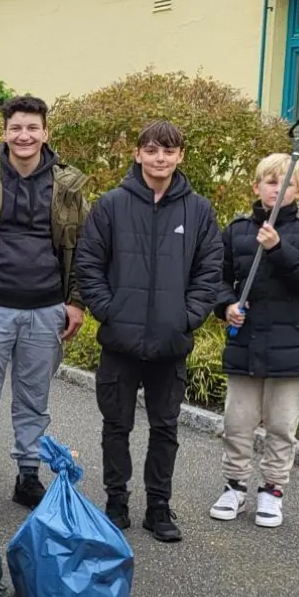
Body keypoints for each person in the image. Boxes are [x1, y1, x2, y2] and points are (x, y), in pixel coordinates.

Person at [75, 121, 224, 542]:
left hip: (170, 343)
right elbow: (89, 264)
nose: (161, 158)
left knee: (165, 428)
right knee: (116, 425)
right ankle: (115, 501)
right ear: (138, 154)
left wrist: (187, 316)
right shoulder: (111, 205)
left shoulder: (198, 211)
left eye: (169, 151)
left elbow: (209, 271)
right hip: (120, 342)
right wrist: (110, 311)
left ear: (181, 157)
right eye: (153, 150)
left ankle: (159, 507)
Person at [0, 95, 89, 516]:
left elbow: (85, 248)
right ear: (5, 132)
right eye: (16, 128)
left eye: (32, 128)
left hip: (46, 306)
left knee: (34, 398)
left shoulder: (68, 187)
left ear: (46, 133)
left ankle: (28, 473)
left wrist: (76, 302)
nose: (24, 135)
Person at [211, 153, 299, 528]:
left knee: (281, 426)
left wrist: (278, 247)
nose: (278, 190)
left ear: (297, 190)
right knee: (237, 422)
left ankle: (272, 491)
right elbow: (218, 279)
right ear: (257, 186)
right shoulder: (237, 229)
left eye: (286, 184)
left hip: (292, 345)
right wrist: (226, 305)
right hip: (246, 341)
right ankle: (234, 485)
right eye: (271, 182)